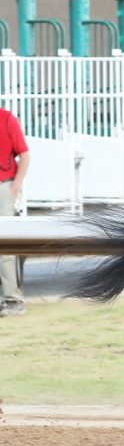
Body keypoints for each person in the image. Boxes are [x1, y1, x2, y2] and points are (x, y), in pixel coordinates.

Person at [0, 107, 29, 317]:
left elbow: (24, 155)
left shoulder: (7, 119)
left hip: (4, 187)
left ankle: (13, 299)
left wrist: (15, 185)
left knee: (6, 246)